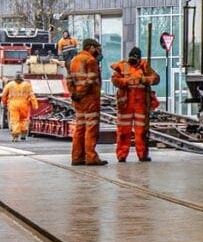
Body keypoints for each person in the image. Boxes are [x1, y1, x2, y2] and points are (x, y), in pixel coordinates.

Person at [111, 46, 159, 163]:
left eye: (136, 58)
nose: (133, 59)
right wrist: (127, 82)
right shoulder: (122, 66)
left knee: (141, 131)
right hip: (126, 104)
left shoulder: (144, 66)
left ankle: (142, 155)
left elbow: (156, 79)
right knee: (123, 132)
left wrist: (144, 80)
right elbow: (114, 80)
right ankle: (122, 155)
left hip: (140, 104)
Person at [68, 38, 107, 166]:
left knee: (80, 128)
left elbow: (69, 80)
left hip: (78, 101)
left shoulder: (74, 60)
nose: (98, 51)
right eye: (97, 48)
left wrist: (74, 94)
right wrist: (81, 94)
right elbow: (90, 81)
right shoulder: (90, 60)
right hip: (89, 99)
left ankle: (77, 157)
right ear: (91, 47)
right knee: (91, 128)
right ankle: (91, 157)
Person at [1, 71, 39, 141]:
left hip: (13, 105)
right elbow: (32, 96)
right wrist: (35, 105)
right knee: (24, 119)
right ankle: (23, 133)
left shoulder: (9, 85)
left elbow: (4, 95)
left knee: (15, 120)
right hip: (24, 104)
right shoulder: (27, 85)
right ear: (22, 77)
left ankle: (15, 136)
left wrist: (4, 103)